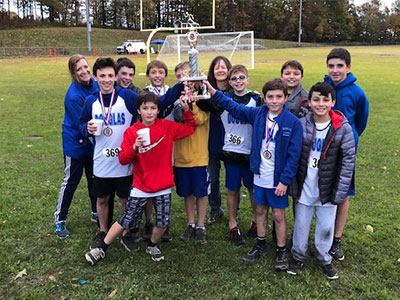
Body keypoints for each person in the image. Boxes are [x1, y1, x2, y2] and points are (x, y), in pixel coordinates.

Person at [80, 57, 185, 251]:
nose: (106, 80)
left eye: (110, 75)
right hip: (102, 159)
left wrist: (180, 86)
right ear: (96, 78)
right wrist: (86, 128)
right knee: (102, 198)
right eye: (102, 76)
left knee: (125, 199)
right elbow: (81, 124)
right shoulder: (90, 101)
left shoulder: (127, 97)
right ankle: (102, 231)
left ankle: (128, 233)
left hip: (125, 159)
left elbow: (156, 102)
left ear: (115, 76)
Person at [85, 91, 196, 265]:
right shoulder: (131, 132)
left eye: (153, 108)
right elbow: (123, 159)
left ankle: (152, 245)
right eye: (145, 108)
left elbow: (190, 128)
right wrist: (134, 147)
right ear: (139, 110)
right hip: (141, 186)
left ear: (158, 110)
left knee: (163, 221)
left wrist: (187, 110)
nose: (149, 112)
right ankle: (102, 248)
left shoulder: (167, 127)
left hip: (163, 185)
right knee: (126, 220)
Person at [205, 78, 302, 270]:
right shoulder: (258, 114)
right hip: (259, 175)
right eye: (270, 97)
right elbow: (232, 107)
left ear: (285, 97)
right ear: (264, 98)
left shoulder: (293, 123)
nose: (274, 101)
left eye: (278, 97)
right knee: (259, 210)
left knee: (278, 214)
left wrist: (284, 181)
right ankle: (260, 243)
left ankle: (281, 251)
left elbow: (294, 157)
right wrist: (213, 91)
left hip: (277, 180)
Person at [287, 82, 355, 280]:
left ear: (333, 102)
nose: (321, 104)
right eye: (316, 99)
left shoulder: (342, 127)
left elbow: (348, 161)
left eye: (326, 100)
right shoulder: (302, 124)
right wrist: (293, 184)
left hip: (327, 189)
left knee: (326, 227)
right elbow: (293, 155)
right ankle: (298, 255)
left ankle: (324, 257)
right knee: (301, 224)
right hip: (305, 187)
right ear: (309, 102)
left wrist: (340, 191)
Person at [324, 48, 369, 261]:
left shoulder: (357, 93)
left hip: (345, 152)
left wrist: (349, 140)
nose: (335, 70)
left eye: (340, 66)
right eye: (331, 66)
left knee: (342, 194)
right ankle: (321, 234)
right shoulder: (323, 88)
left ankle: (337, 239)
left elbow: (360, 122)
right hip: (323, 151)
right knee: (322, 190)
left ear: (348, 67)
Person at [54, 54, 98, 238]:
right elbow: (83, 124)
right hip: (76, 143)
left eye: (85, 67)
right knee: (71, 180)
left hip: (92, 142)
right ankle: (60, 219)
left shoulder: (95, 84)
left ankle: (96, 211)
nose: (84, 71)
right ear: (73, 72)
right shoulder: (73, 96)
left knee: (94, 178)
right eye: (79, 69)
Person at [173, 62, 210, 244]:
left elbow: (201, 120)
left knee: (201, 193)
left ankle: (201, 225)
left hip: (199, 155)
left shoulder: (203, 98)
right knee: (187, 193)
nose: (184, 79)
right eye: (180, 76)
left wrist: (191, 107)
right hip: (180, 156)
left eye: (187, 75)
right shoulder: (176, 99)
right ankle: (190, 223)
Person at [196, 56, 232, 224]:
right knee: (213, 178)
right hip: (212, 139)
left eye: (223, 67)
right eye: (217, 67)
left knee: (233, 181)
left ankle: (234, 210)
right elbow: (206, 106)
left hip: (232, 141)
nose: (220, 70)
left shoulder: (236, 90)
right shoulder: (204, 92)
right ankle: (215, 209)